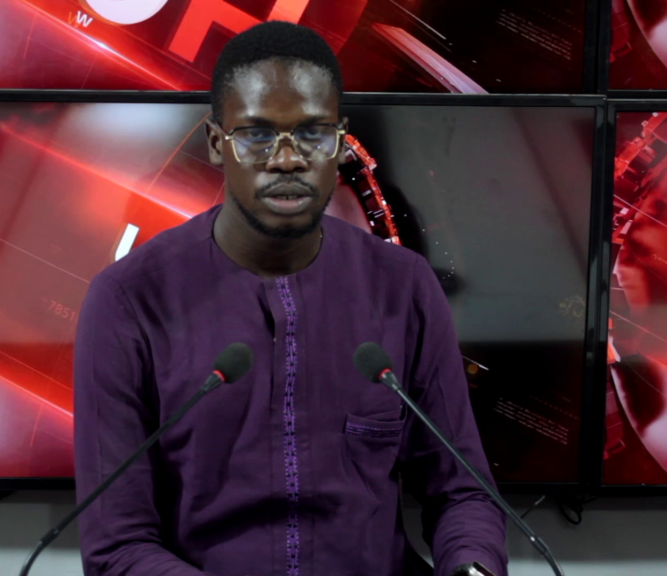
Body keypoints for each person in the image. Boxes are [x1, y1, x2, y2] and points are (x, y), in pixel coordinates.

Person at [74, 21, 507, 576]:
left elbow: (463, 495)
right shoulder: (129, 299)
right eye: (257, 135)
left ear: (340, 143)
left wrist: (473, 565)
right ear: (216, 143)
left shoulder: (404, 286)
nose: (287, 159)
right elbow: (117, 545)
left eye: (312, 134)